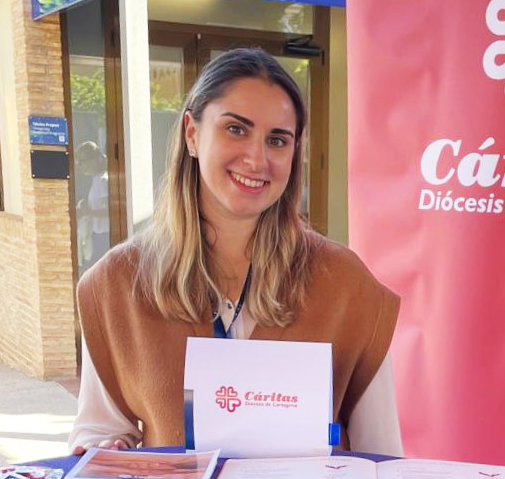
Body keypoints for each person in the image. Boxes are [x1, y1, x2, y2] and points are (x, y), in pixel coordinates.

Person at [69, 48, 402, 455]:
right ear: (192, 133)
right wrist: (104, 452)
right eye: (236, 129)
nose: (256, 158)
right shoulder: (117, 283)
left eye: (277, 139)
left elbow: (381, 456)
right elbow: (99, 429)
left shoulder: (346, 284)